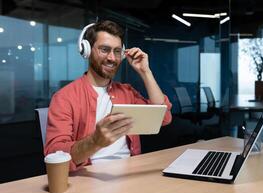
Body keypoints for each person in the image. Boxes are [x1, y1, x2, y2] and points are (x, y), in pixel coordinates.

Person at [44, 20, 172, 171]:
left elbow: (163, 118)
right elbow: (54, 153)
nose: (112, 58)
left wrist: (146, 72)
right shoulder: (64, 97)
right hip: (88, 176)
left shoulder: (127, 92)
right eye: (104, 49)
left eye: (117, 51)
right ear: (87, 50)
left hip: (129, 171)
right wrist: (95, 141)